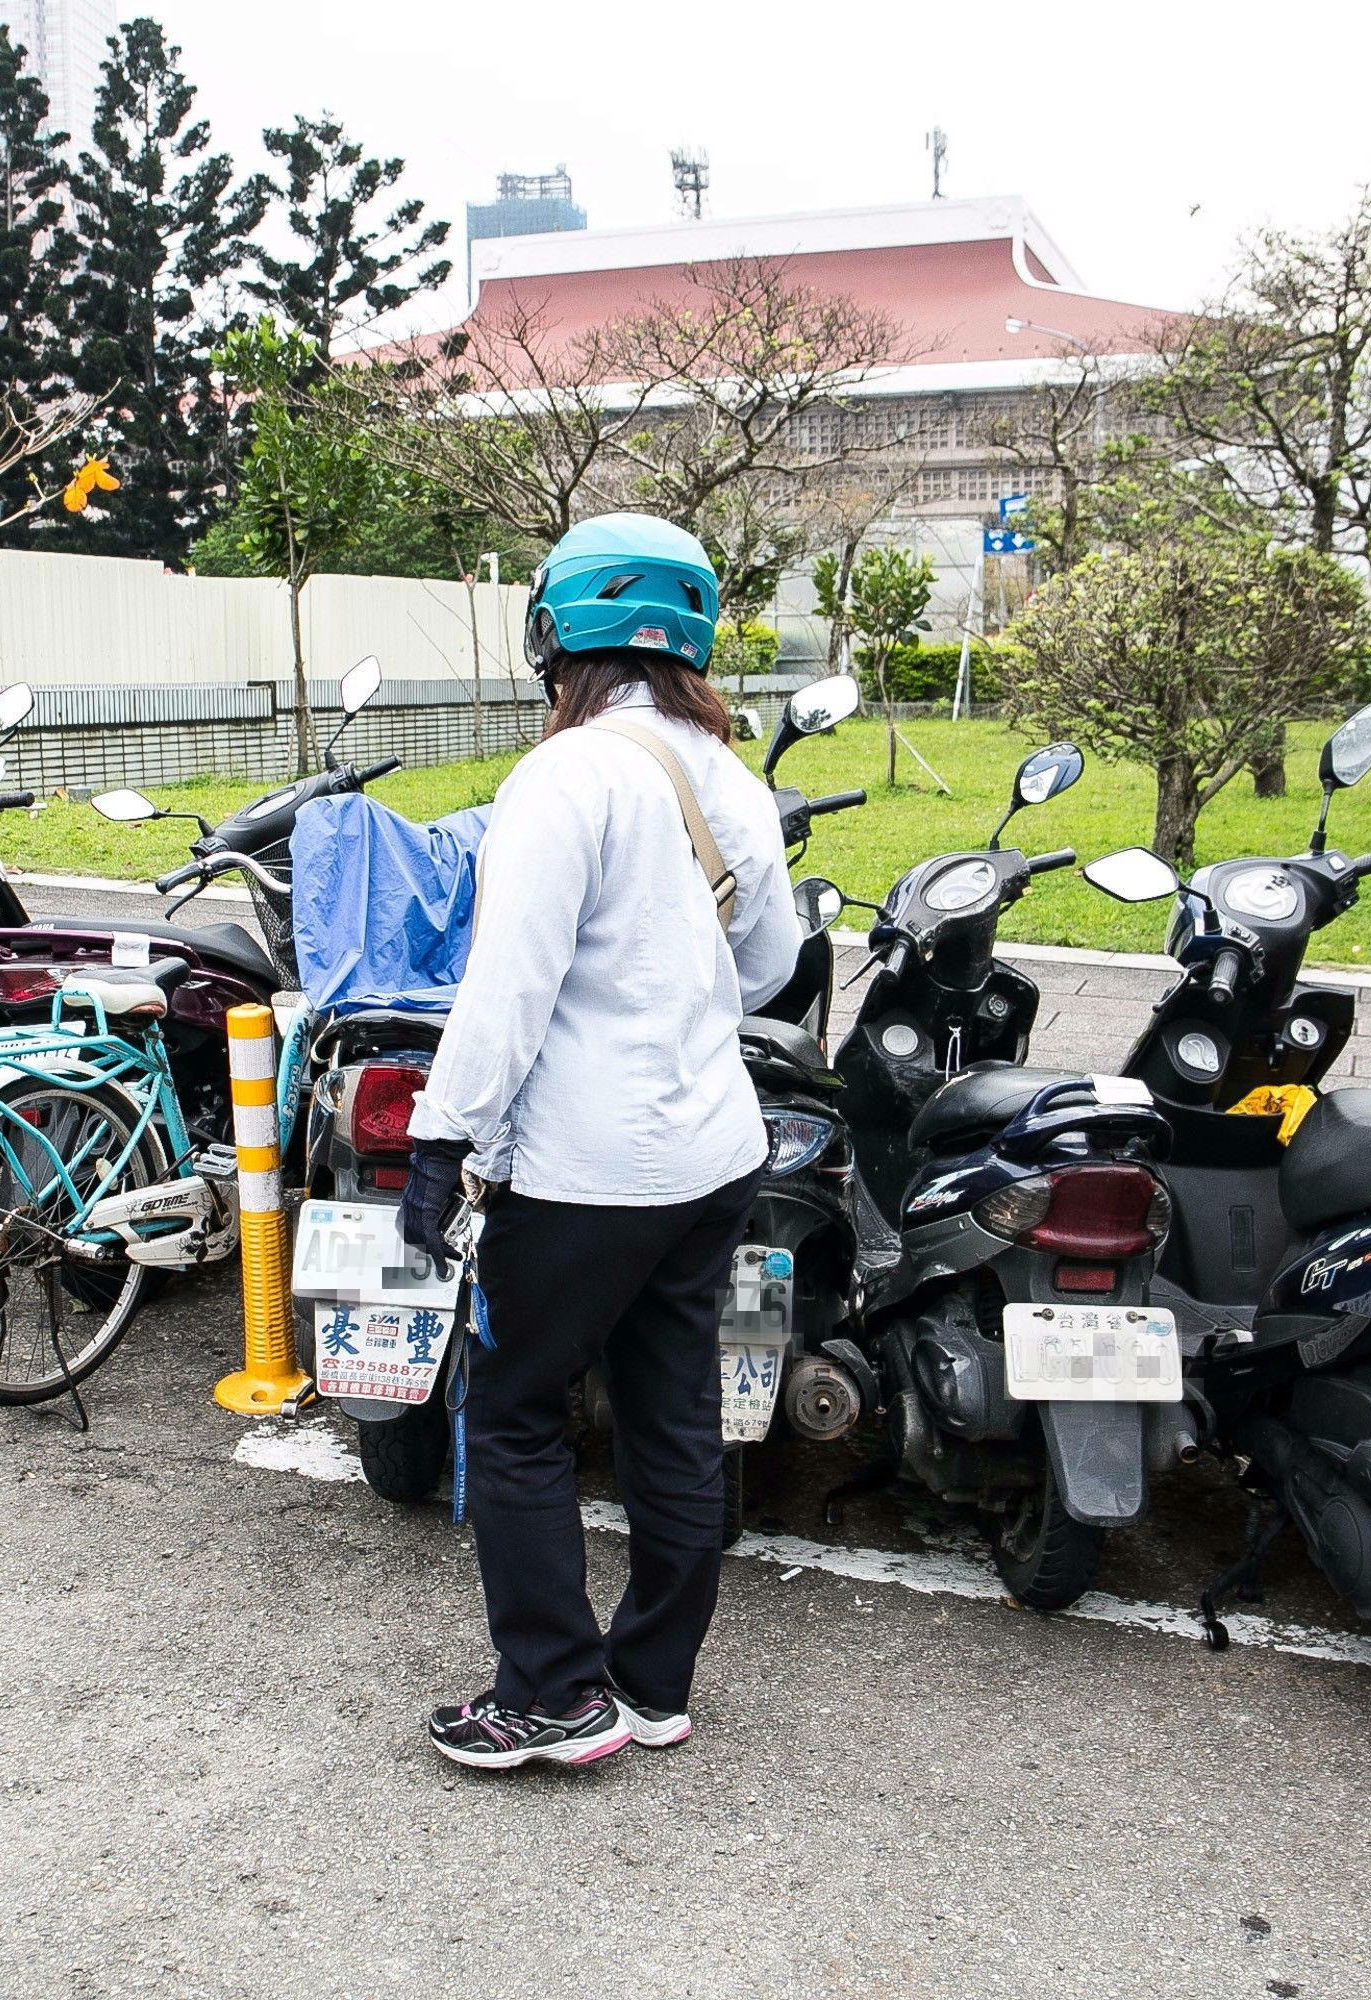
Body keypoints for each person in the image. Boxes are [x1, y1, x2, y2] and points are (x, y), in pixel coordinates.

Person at [399, 511, 801, 1772]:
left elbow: (506, 986)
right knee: (672, 1417)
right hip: (712, 1157)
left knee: (513, 1411)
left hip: (584, 1172)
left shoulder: (566, 774)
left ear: (554, 636)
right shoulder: (728, 775)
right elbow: (773, 962)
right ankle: (650, 1684)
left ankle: (552, 1694)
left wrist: (439, 1136)